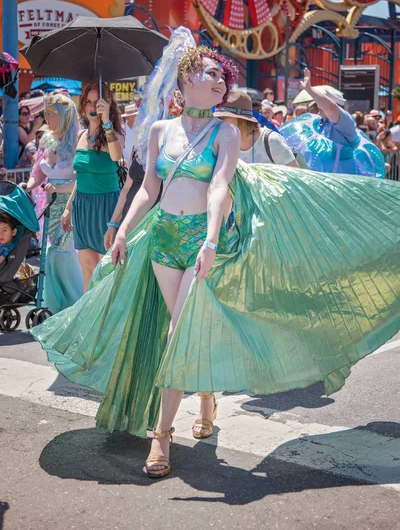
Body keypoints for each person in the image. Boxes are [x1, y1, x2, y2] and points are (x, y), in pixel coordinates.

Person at [31, 28, 400, 482]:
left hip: (199, 241)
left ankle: (161, 436)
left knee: (176, 333)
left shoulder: (225, 131)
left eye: (222, 76)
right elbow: (149, 188)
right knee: (178, 327)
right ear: (185, 82)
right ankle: (205, 399)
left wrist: (209, 241)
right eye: (211, 74)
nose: (221, 81)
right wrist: (124, 228)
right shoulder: (160, 131)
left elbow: (220, 188)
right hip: (162, 240)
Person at [21, 93, 84, 313]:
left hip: (71, 204)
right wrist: (28, 186)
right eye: (45, 114)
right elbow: (38, 173)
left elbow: (81, 179)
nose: (46, 118)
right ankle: (58, 306)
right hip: (51, 205)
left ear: (64, 115)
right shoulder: (47, 140)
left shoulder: (78, 140)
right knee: (51, 254)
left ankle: (77, 303)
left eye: (50, 114)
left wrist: (58, 188)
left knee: (63, 254)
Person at [62, 83, 124, 291]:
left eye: (97, 102)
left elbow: (116, 156)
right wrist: (68, 208)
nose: (92, 107)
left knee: (106, 272)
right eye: (88, 102)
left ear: (107, 105)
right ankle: (88, 322)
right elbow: (80, 179)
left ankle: (108, 321)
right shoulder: (81, 136)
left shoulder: (114, 135)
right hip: (83, 208)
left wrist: (106, 121)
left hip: (106, 208)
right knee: (87, 271)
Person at [214, 90, 298, 167]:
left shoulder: (271, 141)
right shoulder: (223, 143)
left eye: (222, 117)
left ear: (241, 119)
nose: (218, 122)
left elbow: (297, 178)